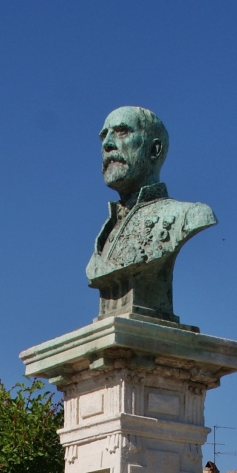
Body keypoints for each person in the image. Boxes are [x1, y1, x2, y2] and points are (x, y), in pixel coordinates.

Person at [86, 106, 216, 322]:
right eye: (104, 137)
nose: (108, 144)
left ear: (154, 150)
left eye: (121, 132)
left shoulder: (189, 215)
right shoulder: (107, 230)